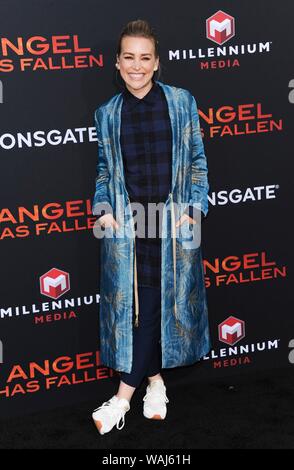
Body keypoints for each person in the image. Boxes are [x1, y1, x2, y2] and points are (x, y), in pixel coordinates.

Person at [91, 19, 211, 435]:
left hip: (173, 228)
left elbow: (198, 161)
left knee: (161, 305)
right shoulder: (106, 114)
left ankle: (122, 397)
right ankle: (155, 384)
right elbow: (104, 171)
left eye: (145, 58)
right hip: (128, 228)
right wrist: (103, 207)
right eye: (129, 58)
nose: (137, 66)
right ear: (118, 63)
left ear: (157, 63)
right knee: (140, 312)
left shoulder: (181, 102)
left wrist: (192, 210)